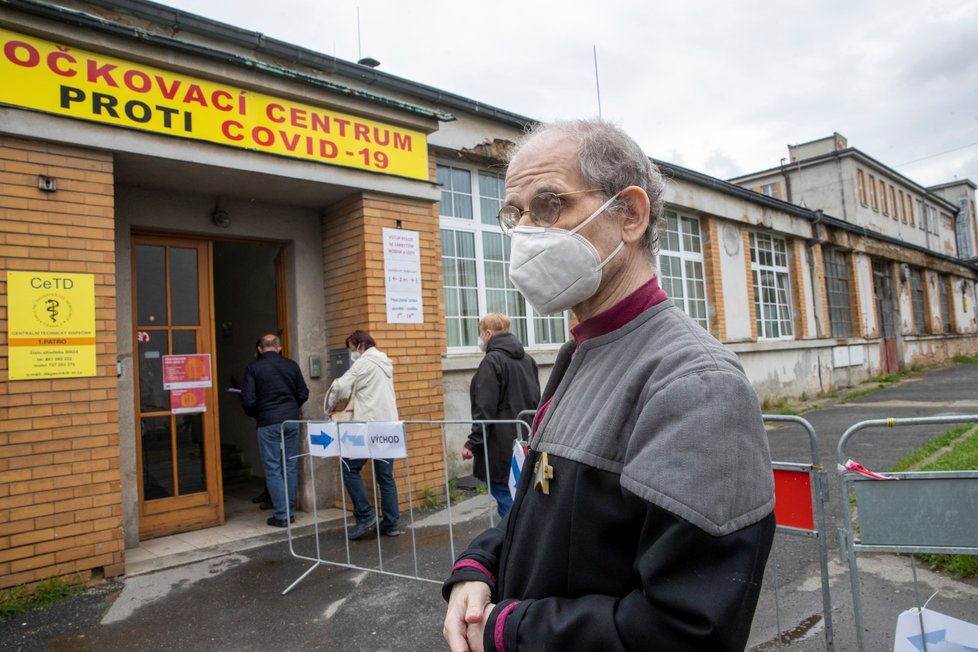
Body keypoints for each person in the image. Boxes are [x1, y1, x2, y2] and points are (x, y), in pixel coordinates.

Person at [442, 120, 776, 652]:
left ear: (631, 215)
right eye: (515, 213)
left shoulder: (693, 384)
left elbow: (684, 631)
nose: (527, 230)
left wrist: (510, 630)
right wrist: (479, 565)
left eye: (550, 203)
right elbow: (547, 518)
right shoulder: (584, 351)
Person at [325, 330, 401, 540]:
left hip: (368, 425)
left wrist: (329, 408)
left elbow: (340, 386)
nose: (352, 354)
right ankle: (392, 524)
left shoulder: (363, 363)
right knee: (385, 476)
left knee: (349, 467)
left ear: (360, 346)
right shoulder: (385, 361)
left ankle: (365, 516)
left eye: (352, 349)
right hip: (388, 426)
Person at [464, 313, 540, 518]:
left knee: (508, 503)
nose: (480, 338)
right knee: (522, 498)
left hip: (499, 447)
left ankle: (515, 547)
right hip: (525, 441)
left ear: (488, 333)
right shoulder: (528, 360)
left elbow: (484, 407)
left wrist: (473, 443)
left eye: (480, 333)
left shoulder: (492, 361)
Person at [241, 334, 309, 528]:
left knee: (273, 468)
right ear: (279, 348)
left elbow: (248, 400)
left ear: (261, 349)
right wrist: (290, 407)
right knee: (289, 466)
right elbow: (303, 393)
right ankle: (289, 512)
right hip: (290, 420)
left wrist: (259, 413)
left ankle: (282, 515)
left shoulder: (253, 368)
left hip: (268, 422)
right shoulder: (291, 366)